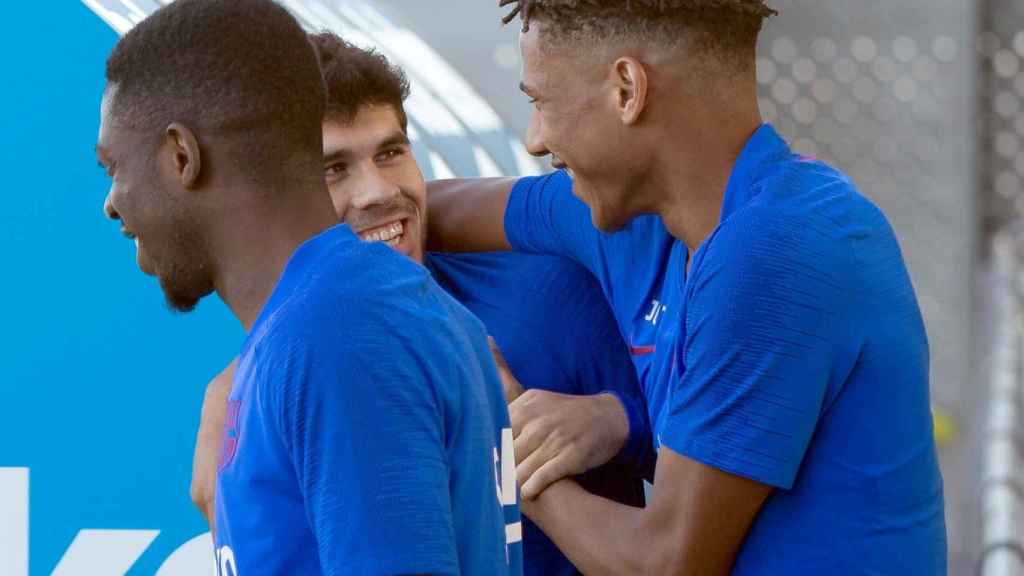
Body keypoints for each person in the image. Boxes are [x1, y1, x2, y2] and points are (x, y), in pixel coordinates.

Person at [426, 0, 948, 573]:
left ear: (627, 89)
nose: (534, 140)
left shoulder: (781, 249)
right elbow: (421, 210)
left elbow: (665, 564)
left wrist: (507, 440)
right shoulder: (634, 218)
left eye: (540, 102)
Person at [190, 31, 653, 576]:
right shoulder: (248, 392)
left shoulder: (545, 293)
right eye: (333, 169)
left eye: (390, 153)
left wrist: (616, 420)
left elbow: (725, 475)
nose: (379, 192)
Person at [95, 1, 521, 574]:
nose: (112, 205)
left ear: (181, 156)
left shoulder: (337, 335)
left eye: (113, 167)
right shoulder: (329, 320)